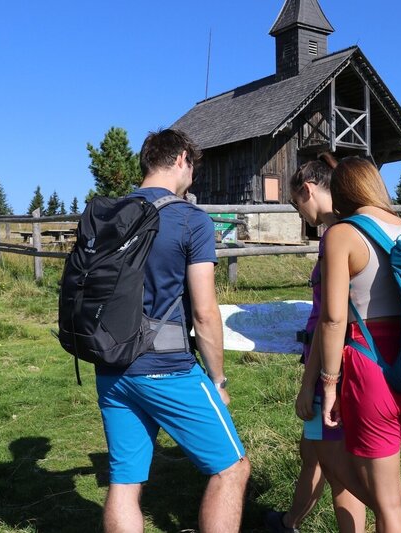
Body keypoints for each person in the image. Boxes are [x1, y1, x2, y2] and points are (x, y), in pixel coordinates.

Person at [94, 128, 250, 533]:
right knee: (232, 469)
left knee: (125, 483)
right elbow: (204, 311)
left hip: (111, 365)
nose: (192, 176)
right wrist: (217, 377)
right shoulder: (190, 220)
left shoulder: (108, 214)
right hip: (168, 367)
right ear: (181, 158)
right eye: (193, 166)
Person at [318, 156, 401, 533]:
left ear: (341, 192)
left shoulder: (342, 234)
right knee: (385, 489)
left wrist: (329, 385)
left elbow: (333, 318)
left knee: (387, 503)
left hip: (370, 364)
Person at [265, 156, 367, 533]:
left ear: (308, 189)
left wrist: (314, 383)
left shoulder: (335, 238)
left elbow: (330, 320)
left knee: (343, 474)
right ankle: (290, 521)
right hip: (352, 365)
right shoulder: (355, 230)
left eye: (296, 204)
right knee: (314, 452)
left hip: (333, 368)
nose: (300, 212)